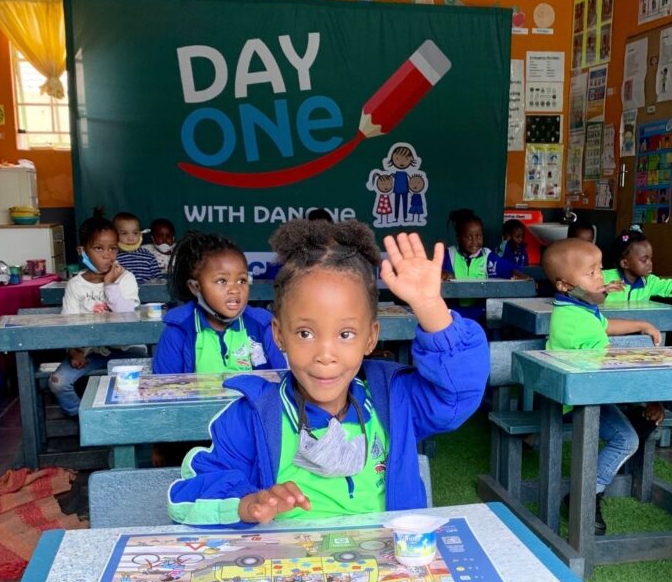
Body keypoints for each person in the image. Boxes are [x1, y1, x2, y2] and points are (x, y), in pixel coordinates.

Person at [167, 219, 489, 527]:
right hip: (292, 576)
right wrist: (246, 504)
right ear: (279, 335)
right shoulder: (253, 417)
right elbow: (186, 500)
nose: (325, 355)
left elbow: (458, 394)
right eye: (305, 333)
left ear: (370, 337)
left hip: (386, 573)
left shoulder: (395, 398)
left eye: (346, 334)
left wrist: (430, 306)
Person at [543, 238, 663, 536]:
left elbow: (603, 324)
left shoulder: (576, 307)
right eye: (591, 273)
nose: (601, 278)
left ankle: (640, 416)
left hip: (591, 391)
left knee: (644, 419)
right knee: (627, 440)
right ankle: (585, 494)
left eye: (599, 270)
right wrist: (650, 396)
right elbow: (611, 365)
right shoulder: (575, 321)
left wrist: (640, 324)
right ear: (565, 285)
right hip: (580, 400)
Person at [153, 230, 286, 374]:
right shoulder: (179, 329)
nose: (235, 290)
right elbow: (163, 387)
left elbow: (282, 378)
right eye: (222, 281)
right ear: (195, 287)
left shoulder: (261, 325)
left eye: (242, 280)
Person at [48, 209, 141, 416]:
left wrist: (110, 286)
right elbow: (69, 324)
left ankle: (129, 424)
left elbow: (129, 317)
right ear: (82, 251)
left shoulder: (125, 278)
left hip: (128, 350)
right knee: (57, 382)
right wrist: (74, 351)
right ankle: (84, 420)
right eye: (99, 248)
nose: (107, 255)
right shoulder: (75, 285)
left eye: (113, 249)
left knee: (147, 381)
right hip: (91, 354)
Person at [443, 209, 526, 321]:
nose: (474, 241)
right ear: (458, 238)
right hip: (452, 312)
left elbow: (506, 268)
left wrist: (516, 273)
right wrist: (442, 273)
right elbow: (436, 271)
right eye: (469, 237)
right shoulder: (449, 254)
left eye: (479, 236)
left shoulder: (487, 255)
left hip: (480, 312)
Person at [602, 227, 672, 301]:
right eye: (644, 260)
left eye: (650, 258)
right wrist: (603, 291)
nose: (650, 263)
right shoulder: (602, 277)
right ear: (625, 263)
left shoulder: (650, 282)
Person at [113, 211, 163, 284]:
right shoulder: (113, 256)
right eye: (124, 233)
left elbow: (159, 280)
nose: (131, 238)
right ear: (114, 235)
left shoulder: (148, 256)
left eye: (135, 233)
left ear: (140, 234)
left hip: (148, 292)